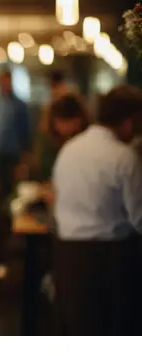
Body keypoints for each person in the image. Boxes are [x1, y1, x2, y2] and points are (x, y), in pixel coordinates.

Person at [52, 85, 142, 335]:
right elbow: (139, 219)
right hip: (112, 262)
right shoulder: (124, 157)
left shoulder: (68, 151)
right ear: (128, 122)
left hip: (67, 258)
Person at [0, 70, 30, 198]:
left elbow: (25, 131)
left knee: (14, 186)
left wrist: (24, 154)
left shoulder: (19, 106)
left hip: (13, 152)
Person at [32, 93, 89, 183]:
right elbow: (43, 169)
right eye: (61, 122)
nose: (66, 128)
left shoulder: (88, 139)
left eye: (72, 122)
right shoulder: (47, 139)